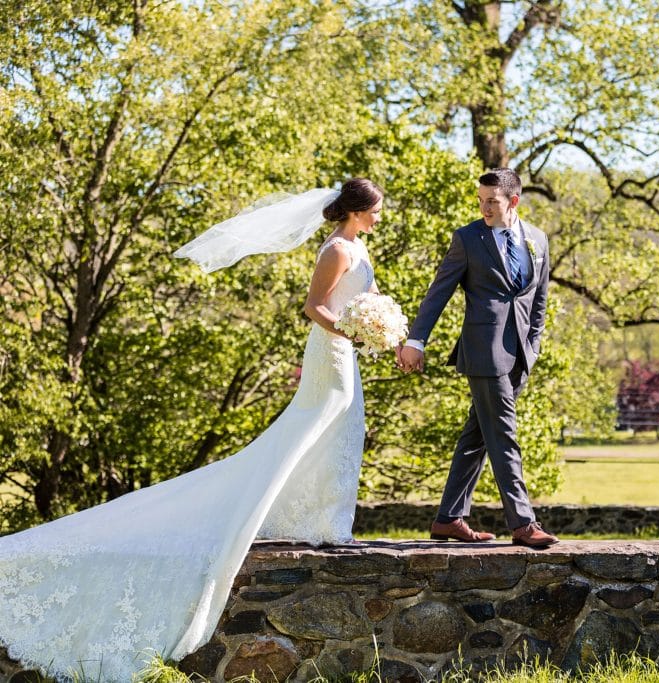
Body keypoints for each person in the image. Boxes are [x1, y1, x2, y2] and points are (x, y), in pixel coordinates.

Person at [0, 178, 384, 682]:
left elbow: (362, 300)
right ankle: (304, 514)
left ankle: (325, 520)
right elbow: (315, 307)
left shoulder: (357, 245)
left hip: (346, 353)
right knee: (317, 424)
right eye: (376, 209)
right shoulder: (335, 249)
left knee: (340, 427)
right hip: (331, 353)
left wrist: (384, 327)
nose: (381, 215)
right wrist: (353, 330)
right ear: (358, 210)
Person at [397, 168, 559, 549]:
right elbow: (439, 291)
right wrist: (416, 340)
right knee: (504, 434)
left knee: (477, 436)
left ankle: (448, 518)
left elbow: (539, 301)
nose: (484, 207)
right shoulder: (468, 239)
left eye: (492, 201)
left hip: (520, 353)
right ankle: (523, 524)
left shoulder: (537, 239)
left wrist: (532, 347)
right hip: (484, 351)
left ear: (513, 201)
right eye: (481, 200)